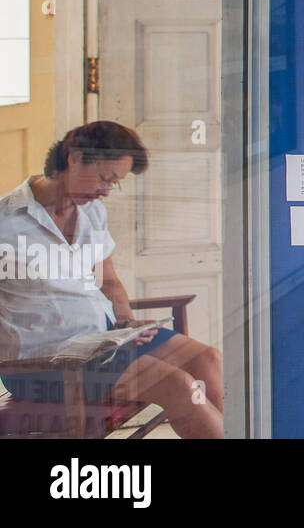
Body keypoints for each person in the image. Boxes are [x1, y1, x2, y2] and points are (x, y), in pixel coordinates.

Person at [0, 123, 223, 438]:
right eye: (105, 179)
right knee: (180, 387)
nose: (106, 191)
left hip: (104, 342)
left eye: (114, 183)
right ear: (74, 158)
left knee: (208, 359)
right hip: (51, 362)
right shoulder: (5, 223)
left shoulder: (92, 214)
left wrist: (128, 323)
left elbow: (109, 283)